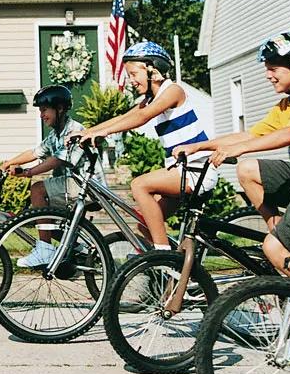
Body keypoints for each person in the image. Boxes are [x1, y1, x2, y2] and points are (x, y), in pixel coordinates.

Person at [174, 31, 290, 280]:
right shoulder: (287, 105)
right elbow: (250, 136)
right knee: (247, 169)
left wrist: (239, 149)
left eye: (274, 68)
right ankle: (278, 228)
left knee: (273, 249)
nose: (268, 75)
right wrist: (199, 147)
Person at [70, 41, 216, 250]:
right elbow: (124, 116)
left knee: (139, 185)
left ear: (152, 69)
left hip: (196, 171)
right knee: (145, 224)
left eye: (133, 74)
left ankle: (162, 256)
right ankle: (171, 271)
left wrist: (103, 132)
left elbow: (143, 116)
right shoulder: (151, 98)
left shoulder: (173, 91)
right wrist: (89, 131)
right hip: (181, 170)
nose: (131, 81)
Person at [0, 84, 98, 267]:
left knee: (38, 190)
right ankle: (82, 248)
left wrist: (28, 172)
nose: (41, 115)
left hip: (86, 186)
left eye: (44, 110)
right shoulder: (55, 134)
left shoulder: (74, 130)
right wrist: (5, 164)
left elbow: (59, 160)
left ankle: (45, 250)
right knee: (41, 218)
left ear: (60, 108)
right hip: (71, 186)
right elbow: (34, 152)